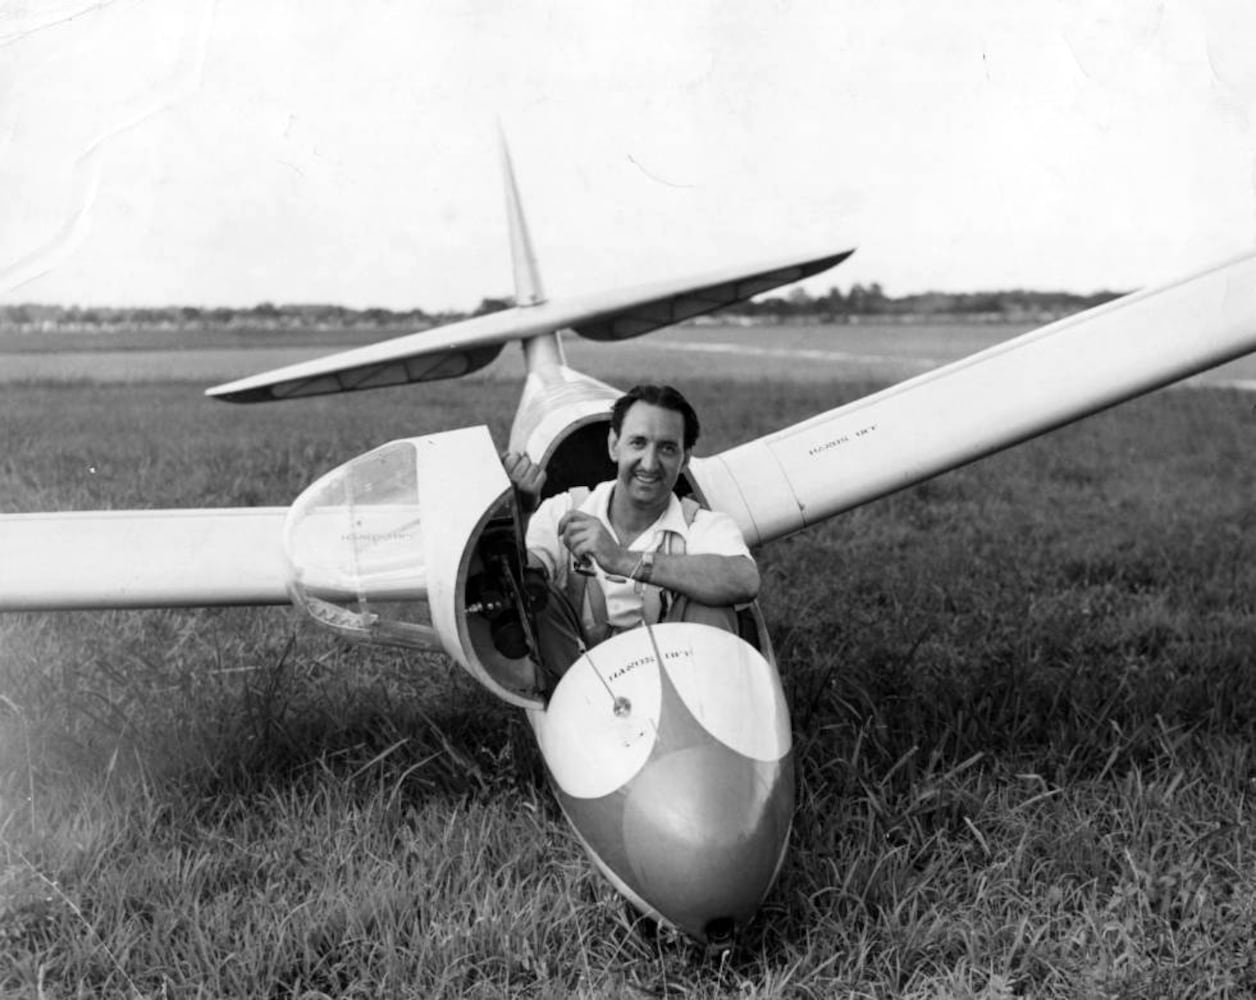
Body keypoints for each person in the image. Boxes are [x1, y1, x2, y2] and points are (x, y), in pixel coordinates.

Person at [502, 383, 759, 687]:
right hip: (577, 690)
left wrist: (622, 559)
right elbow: (513, 589)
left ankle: (709, 705)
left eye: (667, 448)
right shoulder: (563, 510)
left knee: (712, 602)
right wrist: (519, 513)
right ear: (614, 445)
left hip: (681, 691)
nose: (649, 464)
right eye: (638, 443)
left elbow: (744, 581)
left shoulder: (702, 525)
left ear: (685, 459)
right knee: (535, 593)